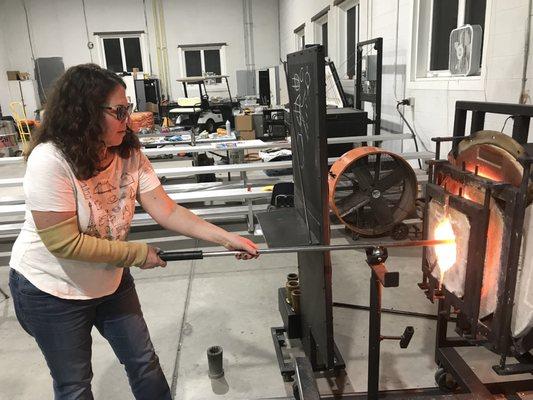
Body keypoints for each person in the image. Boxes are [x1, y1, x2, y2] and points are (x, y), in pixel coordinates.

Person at [8, 63, 259, 400]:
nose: (129, 118)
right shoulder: (50, 159)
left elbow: (165, 209)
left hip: (108, 278)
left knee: (143, 363)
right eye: (120, 111)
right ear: (84, 114)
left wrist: (226, 237)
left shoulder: (128, 152)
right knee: (74, 385)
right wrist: (138, 254)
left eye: (128, 109)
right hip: (52, 289)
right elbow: (62, 242)